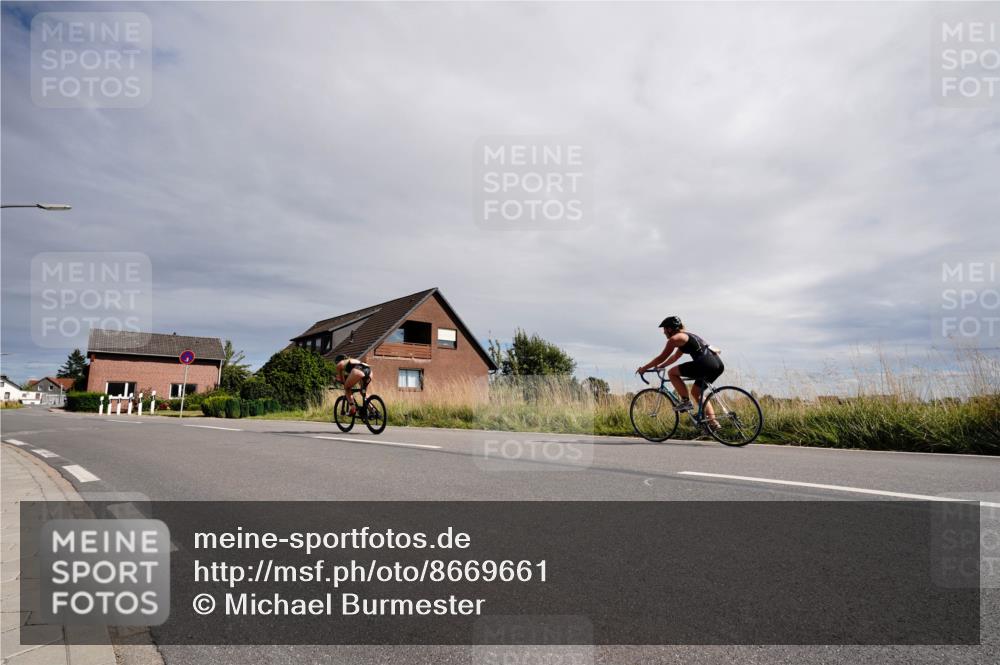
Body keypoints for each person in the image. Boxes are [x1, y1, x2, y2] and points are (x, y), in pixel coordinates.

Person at [636, 316, 724, 424]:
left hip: (705, 364)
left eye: (664, 329)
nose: (663, 332)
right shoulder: (687, 336)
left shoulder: (674, 339)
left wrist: (644, 368)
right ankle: (713, 423)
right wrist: (662, 365)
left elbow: (661, 357)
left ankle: (685, 401)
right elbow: (675, 357)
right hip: (717, 364)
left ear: (669, 329)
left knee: (671, 373)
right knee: (697, 393)